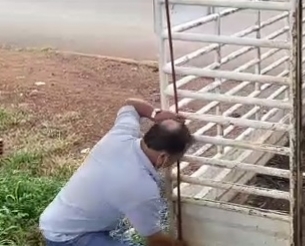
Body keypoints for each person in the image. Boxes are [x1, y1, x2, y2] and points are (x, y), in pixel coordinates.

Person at [39, 98, 194, 246]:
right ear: (163, 158)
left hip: (59, 219)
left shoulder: (121, 134)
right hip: (67, 237)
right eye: (177, 158)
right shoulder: (141, 187)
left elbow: (131, 104)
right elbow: (155, 241)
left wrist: (155, 114)